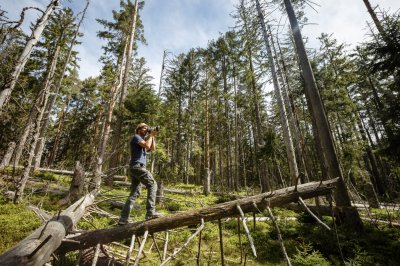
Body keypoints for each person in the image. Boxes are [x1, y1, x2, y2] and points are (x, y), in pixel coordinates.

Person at [118, 123, 163, 225]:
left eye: (147, 128)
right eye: (144, 128)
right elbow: (147, 145)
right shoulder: (136, 137)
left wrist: (153, 136)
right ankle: (150, 213)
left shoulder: (142, 140)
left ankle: (123, 218)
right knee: (152, 184)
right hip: (137, 166)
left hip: (136, 167)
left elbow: (152, 149)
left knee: (135, 193)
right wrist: (151, 135)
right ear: (138, 129)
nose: (146, 129)